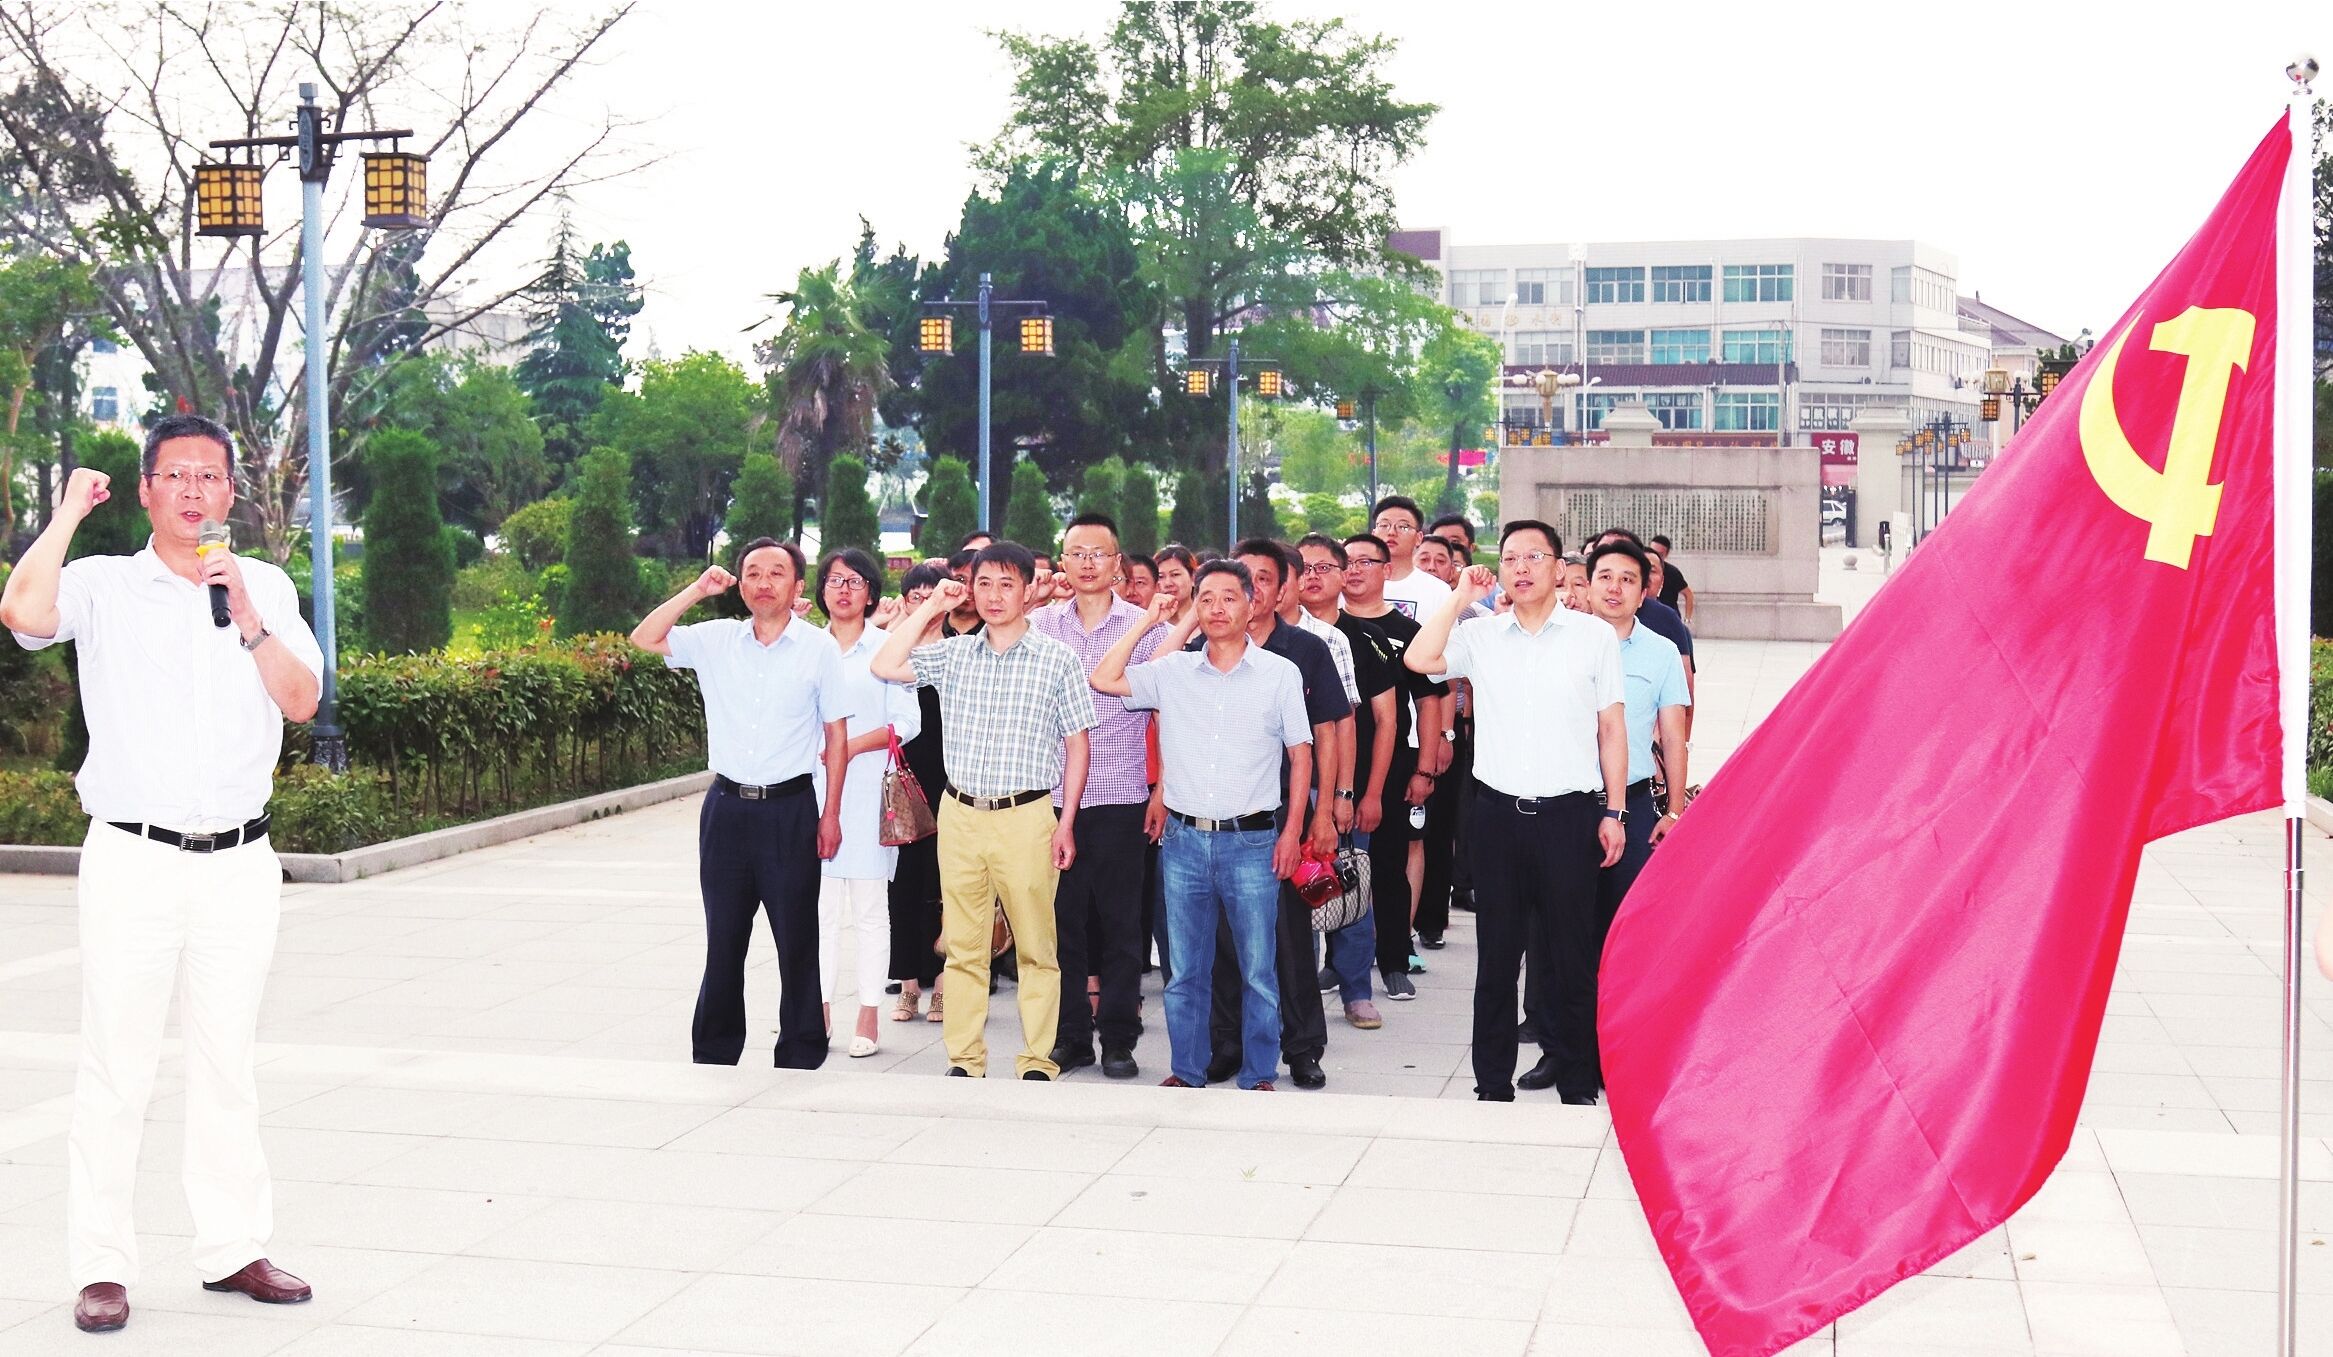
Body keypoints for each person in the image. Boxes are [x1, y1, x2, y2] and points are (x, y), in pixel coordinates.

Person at [1, 416, 325, 1334]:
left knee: (227, 1062)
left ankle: (233, 1247)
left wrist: (250, 618)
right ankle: (102, 1266)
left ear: (231, 494)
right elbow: (22, 613)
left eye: (209, 476)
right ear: (145, 490)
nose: (192, 490)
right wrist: (67, 513)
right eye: (174, 474)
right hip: (133, 859)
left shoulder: (262, 585)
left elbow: (303, 700)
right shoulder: (104, 584)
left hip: (240, 862)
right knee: (118, 1066)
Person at [1404, 521, 1628, 1104]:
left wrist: (1615, 810)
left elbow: (1611, 728)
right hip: (1498, 817)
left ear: (1559, 568)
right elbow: (1420, 658)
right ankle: (1492, 1083)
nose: (1521, 567)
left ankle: (1577, 1083)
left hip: (1570, 817)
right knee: (1498, 958)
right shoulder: (1480, 635)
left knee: (1572, 955)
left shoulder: (1593, 637)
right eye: (1510, 558)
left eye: (1534, 556)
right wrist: (1460, 596)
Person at [872, 542, 1098, 1079]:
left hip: (1027, 816)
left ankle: (1037, 1057)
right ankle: (965, 1058)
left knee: (1037, 946)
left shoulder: (1058, 659)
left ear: (1028, 589)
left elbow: (1078, 744)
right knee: (964, 946)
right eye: (984, 583)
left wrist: (1066, 822)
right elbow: (885, 663)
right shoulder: (953, 655)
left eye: (1006, 584)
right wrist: (932, 606)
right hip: (961, 814)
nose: (994, 596)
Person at [1091, 562, 1312, 1090]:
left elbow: (1301, 755)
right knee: (1185, 971)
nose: (1216, 608)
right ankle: (1187, 1069)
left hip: (1253, 840)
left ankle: (1259, 1071)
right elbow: (1105, 678)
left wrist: (1292, 832)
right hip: (1184, 841)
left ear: (1252, 605)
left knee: (1258, 970)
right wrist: (1151, 621)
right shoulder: (1173, 671)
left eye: (1229, 597)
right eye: (1205, 598)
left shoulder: (1280, 673)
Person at [632, 538, 849, 1069]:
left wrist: (831, 815)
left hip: (790, 811)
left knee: (796, 938)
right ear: (740, 584)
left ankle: (801, 1049)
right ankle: (715, 1048)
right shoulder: (715, 640)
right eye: (752, 573)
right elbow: (644, 637)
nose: (763, 583)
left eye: (776, 573)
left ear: (797, 586)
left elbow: (836, 737)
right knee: (724, 937)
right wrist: (697, 590)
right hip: (726, 811)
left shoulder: (818, 649)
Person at [1519, 537, 1690, 1093]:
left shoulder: (1661, 652)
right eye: (1605, 577)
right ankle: (1559, 1049)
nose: (1615, 588)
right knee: (1554, 931)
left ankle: (1618, 1051)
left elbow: (1674, 735)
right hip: (1565, 804)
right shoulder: (1557, 640)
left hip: (1632, 805)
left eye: (1628, 580)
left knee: (1623, 933)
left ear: (1645, 593)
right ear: (1586, 586)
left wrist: (1674, 809)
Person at [1191, 539, 1348, 1090]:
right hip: (1218, 815)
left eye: (1263, 578)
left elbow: (1328, 733)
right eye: (1244, 578)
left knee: (1288, 937)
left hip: (1284, 815)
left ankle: (1302, 1047)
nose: (1252, 589)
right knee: (1223, 940)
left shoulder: (1305, 649)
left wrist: (1324, 812)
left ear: (1281, 589)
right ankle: (1228, 1044)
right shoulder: (1201, 648)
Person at [1033, 514, 1165, 1080]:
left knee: (1120, 925)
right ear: (1062, 561)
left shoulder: (1146, 626)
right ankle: (1070, 1037)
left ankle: (1117, 1038)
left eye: (1099, 553)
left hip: (1122, 793)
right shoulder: (1039, 624)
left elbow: (1165, 712)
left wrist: (1161, 790)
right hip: (1050, 797)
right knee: (1060, 924)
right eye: (1077, 553)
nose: (1088, 563)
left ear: (1118, 564)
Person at [810, 549, 921, 1058]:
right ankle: (819, 1008)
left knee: (872, 908)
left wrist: (850, 746)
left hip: (869, 793)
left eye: (855, 581)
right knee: (820, 911)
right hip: (811, 793)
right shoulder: (808, 647)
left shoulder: (887, 649)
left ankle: (869, 1011)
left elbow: (908, 721)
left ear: (871, 592)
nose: (844, 590)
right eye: (835, 580)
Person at [1339, 531, 1448, 1001]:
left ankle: (1395, 959)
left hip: (1391, 764)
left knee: (1387, 863)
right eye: (1347, 561)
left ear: (1387, 570)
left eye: (1365, 561)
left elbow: (1428, 702)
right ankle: (1338, 962)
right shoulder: (1329, 627)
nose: (1354, 570)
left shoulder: (1407, 631)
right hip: (1335, 763)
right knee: (1338, 866)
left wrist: (1424, 770)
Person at [1296, 534, 1398, 1030]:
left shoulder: (1354, 638)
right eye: (1303, 568)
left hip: (1334, 784)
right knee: (1295, 894)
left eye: (1324, 567)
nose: (1312, 577)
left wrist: (1356, 792)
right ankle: (1299, 990)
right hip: (1281, 788)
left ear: (1342, 576)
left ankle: (1357, 990)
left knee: (1347, 884)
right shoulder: (1261, 632)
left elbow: (1371, 722)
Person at [887, 563, 950, 1024]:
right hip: (902, 784)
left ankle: (945, 985)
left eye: (934, 596)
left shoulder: (959, 651)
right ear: (905, 601)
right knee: (903, 885)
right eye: (917, 597)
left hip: (951, 783)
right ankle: (908, 985)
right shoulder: (892, 654)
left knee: (945, 887)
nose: (926, 605)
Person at [1370, 495, 1451, 622]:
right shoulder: (1354, 583)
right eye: (1384, 525)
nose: (1391, 532)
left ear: (1418, 538)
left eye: (1403, 527)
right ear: (1373, 534)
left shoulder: (1439, 591)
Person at [1648, 534, 1695, 626]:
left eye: (1660, 554)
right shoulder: (1640, 569)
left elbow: (1688, 594)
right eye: (1653, 552)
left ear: (1666, 554)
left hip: (1670, 620)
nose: (1655, 556)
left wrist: (1687, 620)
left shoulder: (1673, 572)